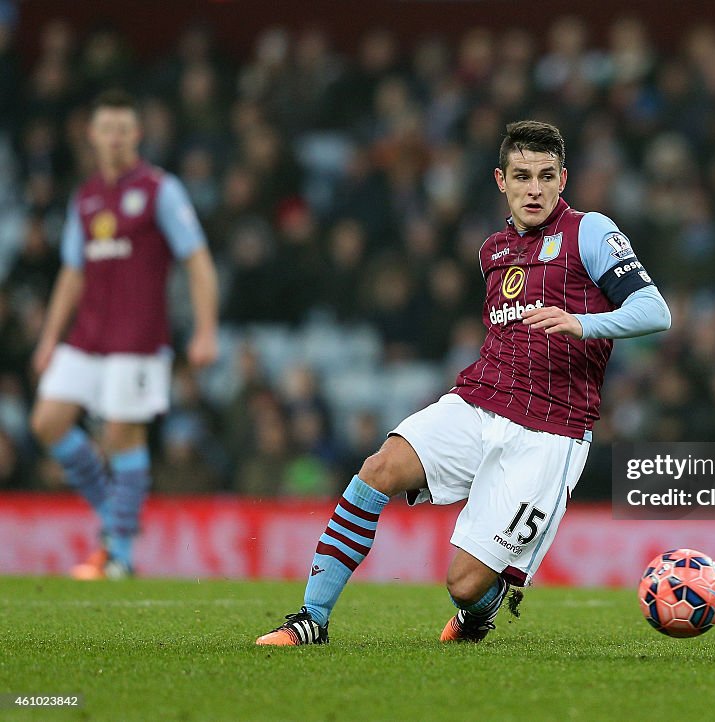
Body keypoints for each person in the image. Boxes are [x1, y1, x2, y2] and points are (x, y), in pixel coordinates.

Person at [256, 120, 671, 645]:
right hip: (479, 401)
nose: (534, 189)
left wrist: (583, 323)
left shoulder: (589, 232)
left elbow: (654, 311)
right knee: (377, 470)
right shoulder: (492, 251)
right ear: (502, 180)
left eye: (546, 176)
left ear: (563, 179)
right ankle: (311, 620)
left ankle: (479, 612)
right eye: (522, 176)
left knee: (465, 584)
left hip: (550, 432)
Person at [30, 89, 219, 579]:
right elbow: (72, 271)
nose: (114, 138)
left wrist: (205, 330)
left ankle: (118, 553)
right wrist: (51, 337)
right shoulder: (87, 196)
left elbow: (197, 260)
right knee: (47, 421)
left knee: (121, 434)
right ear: (91, 136)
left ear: (136, 134)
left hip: (137, 338)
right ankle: (115, 522)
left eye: (123, 129)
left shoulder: (160, 189)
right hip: (88, 335)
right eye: (105, 129)